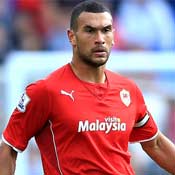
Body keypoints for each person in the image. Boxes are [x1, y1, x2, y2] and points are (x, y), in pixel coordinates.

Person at [0, 0, 175, 174]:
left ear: (114, 36)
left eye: (106, 30)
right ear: (72, 37)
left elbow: (155, 143)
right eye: (90, 31)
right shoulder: (45, 91)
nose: (99, 39)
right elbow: (8, 148)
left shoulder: (128, 90)